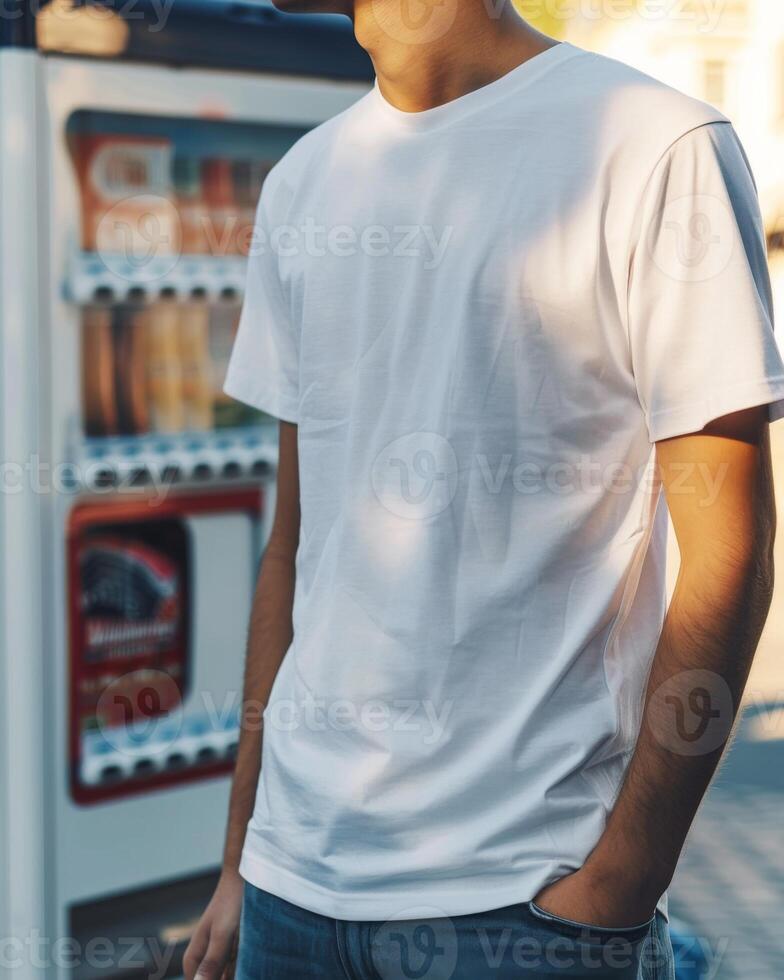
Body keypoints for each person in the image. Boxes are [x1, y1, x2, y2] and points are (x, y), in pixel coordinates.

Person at [185, 1, 784, 977]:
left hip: (520, 907)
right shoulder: (305, 180)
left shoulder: (656, 145)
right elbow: (296, 544)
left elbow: (730, 551)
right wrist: (237, 861)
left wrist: (616, 890)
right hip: (289, 894)